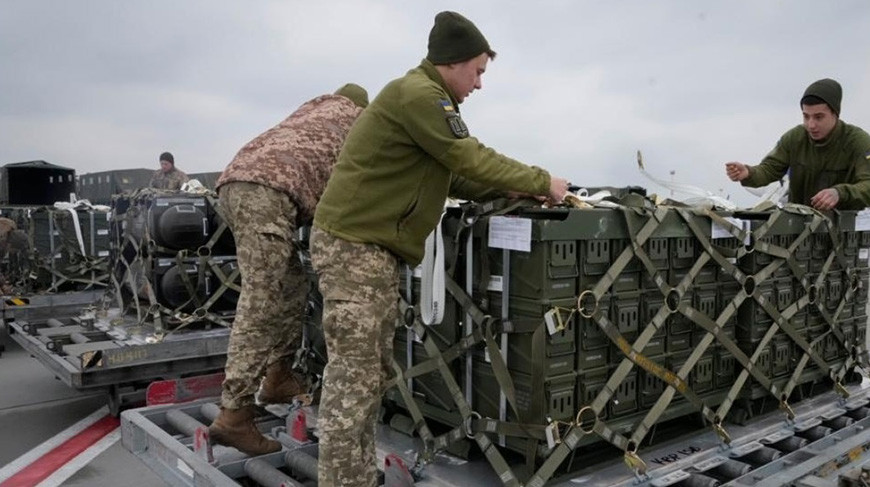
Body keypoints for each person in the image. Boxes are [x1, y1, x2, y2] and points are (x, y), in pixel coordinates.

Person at [310, 11, 570, 487]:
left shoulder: (424, 100)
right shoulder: (419, 96)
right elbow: (467, 155)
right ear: (453, 63)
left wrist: (514, 193)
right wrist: (541, 180)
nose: (479, 84)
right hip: (354, 248)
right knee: (354, 377)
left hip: (370, 250)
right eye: (479, 71)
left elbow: (458, 177)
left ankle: (356, 475)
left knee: (371, 372)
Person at [207, 84, 369, 456]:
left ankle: (278, 375)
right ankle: (233, 415)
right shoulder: (356, 121)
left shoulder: (313, 110)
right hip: (267, 192)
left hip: (236, 183)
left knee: (292, 285)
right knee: (261, 301)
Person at [725, 78, 870, 210]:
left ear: (835, 114)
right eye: (806, 117)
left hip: (847, 228)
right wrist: (749, 173)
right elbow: (769, 169)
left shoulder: (858, 142)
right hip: (801, 228)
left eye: (819, 117)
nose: (811, 125)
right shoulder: (795, 138)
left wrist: (839, 193)